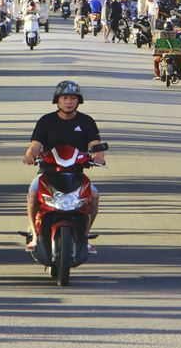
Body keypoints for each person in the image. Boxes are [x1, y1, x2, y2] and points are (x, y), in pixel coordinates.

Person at [23, 81, 105, 253]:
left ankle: (85, 237)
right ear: (57, 100)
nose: (69, 101)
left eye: (73, 98)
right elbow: (35, 146)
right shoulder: (46, 121)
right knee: (33, 195)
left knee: (95, 196)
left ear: (79, 101)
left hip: (76, 175)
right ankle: (35, 237)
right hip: (48, 173)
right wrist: (30, 155)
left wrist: (98, 157)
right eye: (65, 98)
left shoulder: (87, 121)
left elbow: (96, 146)